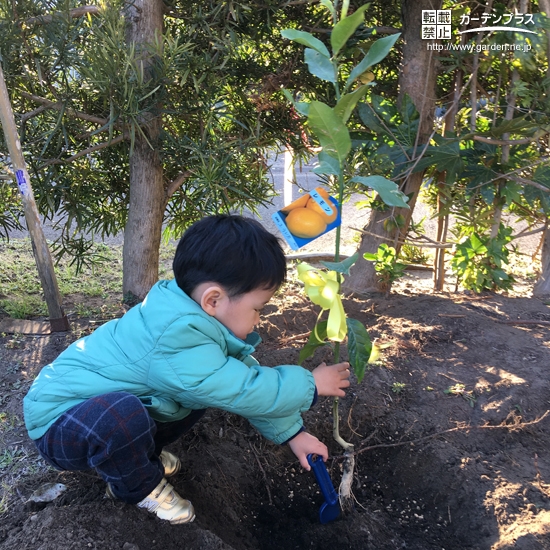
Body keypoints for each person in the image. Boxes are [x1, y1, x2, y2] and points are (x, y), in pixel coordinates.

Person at [23, 215, 350, 525]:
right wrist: (310, 384)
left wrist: (293, 434)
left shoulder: (198, 322)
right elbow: (245, 390)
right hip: (60, 424)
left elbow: (243, 381)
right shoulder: (176, 336)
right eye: (257, 309)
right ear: (213, 300)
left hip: (93, 415)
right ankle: (137, 486)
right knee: (124, 415)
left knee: (184, 399)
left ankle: (138, 460)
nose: (258, 320)